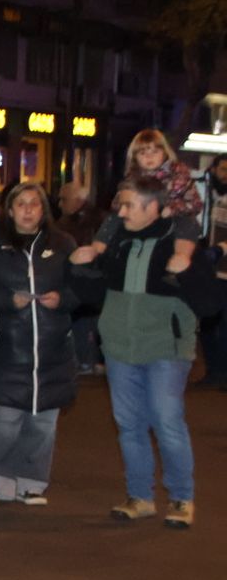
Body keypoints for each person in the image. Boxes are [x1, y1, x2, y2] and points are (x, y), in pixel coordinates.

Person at [71, 176, 220, 529]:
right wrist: (76, 267)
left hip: (166, 349)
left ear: (153, 206)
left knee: (167, 422)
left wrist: (186, 272)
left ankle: (181, 498)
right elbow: (92, 295)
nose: (120, 213)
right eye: (120, 205)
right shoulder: (117, 242)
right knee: (129, 425)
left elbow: (211, 303)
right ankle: (140, 497)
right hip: (120, 347)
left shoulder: (182, 245)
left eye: (128, 205)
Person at [0, 182, 77, 506]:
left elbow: (83, 287)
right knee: (3, 418)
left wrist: (63, 299)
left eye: (34, 204)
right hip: (6, 347)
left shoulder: (63, 244)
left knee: (42, 422)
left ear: (44, 209)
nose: (28, 210)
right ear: (10, 211)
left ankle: (31, 481)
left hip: (52, 349)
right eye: (21, 204)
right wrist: (8, 300)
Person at [87, 130, 201, 272]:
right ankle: (95, 252)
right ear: (135, 157)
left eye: (155, 152)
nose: (149, 157)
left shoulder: (179, 174)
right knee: (113, 219)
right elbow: (118, 202)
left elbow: (195, 204)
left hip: (172, 214)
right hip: (142, 215)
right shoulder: (133, 177)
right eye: (142, 153)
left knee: (187, 222)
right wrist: (123, 206)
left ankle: (180, 257)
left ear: (164, 153)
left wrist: (173, 208)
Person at [55, 181, 106, 376]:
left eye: (64, 199)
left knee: (86, 321)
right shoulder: (66, 223)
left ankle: (88, 360)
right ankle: (86, 359)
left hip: (87, 278)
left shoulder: (93, 222)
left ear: (77, 201)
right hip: (78, 278)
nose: (60, 204)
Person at [200, 155, 227, 390]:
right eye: (222, 169)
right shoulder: (206, 194)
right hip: (207, 271)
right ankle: (213, 371)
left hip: (224, 270)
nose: (225, 174)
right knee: (208, 321)